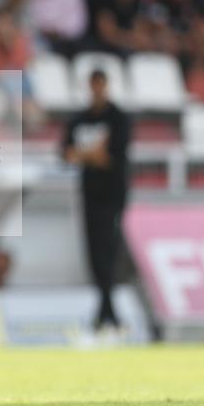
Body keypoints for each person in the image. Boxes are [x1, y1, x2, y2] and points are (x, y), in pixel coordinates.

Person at [61, 69, 131, 334]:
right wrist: (93, 153)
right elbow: (66, 154)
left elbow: (108, 158)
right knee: (94, 255)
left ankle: (105, 315)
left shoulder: (118, 118)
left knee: (108, 254)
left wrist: (82, 154)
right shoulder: (79, 119)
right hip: (89, 194)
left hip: (113, 195)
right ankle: (108, 315)